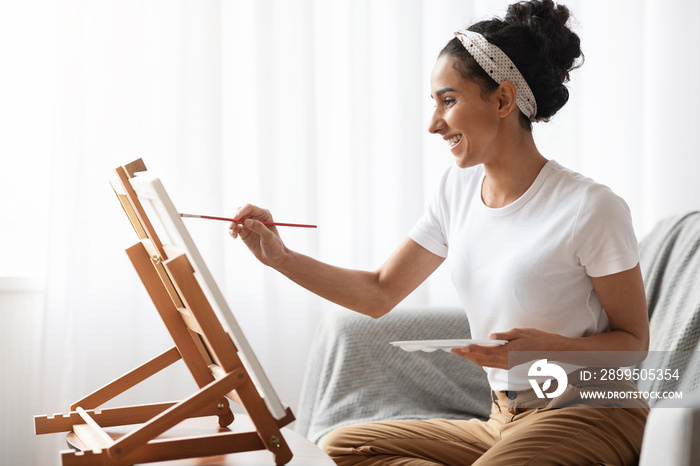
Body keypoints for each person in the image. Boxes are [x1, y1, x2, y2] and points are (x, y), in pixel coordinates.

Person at [229, 0, 650, 464]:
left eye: (448, 101)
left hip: (591, 411)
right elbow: (379, 292)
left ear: (503, 100)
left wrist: (551, 350)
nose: (433, 124)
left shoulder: (590, 208)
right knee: (344, 446)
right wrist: (281, 258)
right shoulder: (458, 188)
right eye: (434, 103)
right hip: (503, 419)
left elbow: (634, 344)